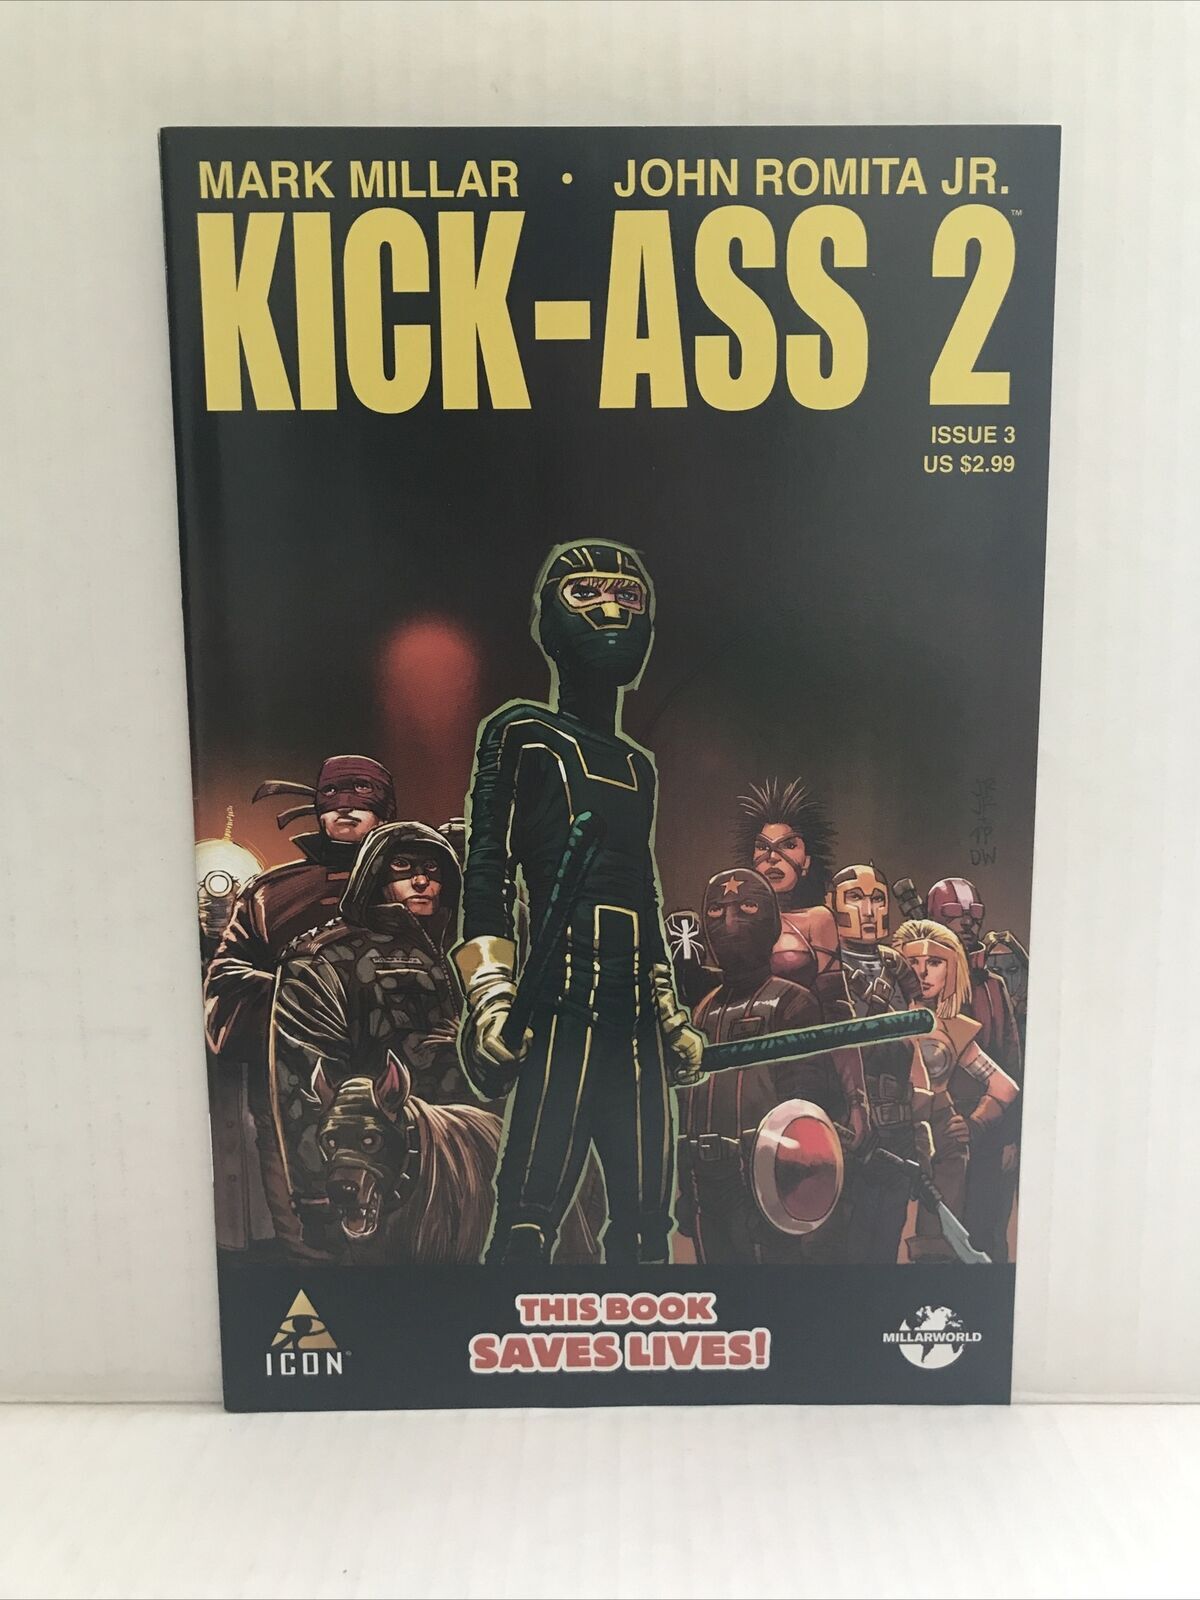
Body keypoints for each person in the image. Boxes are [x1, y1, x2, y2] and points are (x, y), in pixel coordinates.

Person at [455, 540, 704, 1266]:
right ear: (551, 619)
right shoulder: (521, 733)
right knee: (526, 1222)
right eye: (589, 592)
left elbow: (642, 889)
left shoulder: (637, 767)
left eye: (628, 596)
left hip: (636, 1017)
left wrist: (668, 1009)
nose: (611, 610)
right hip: (557, 1002)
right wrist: (491, 998)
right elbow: (487, 871)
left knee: (646, 1228)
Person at [204, 753, 396, 1254]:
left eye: (362, 795)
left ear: (385, 808)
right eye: (333, 795)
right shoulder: (270, 895)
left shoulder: (418, 883)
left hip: (395, 1071)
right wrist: (293, 995)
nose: (346, 807)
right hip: (292, 1074)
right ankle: (307, 1265)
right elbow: (227, 975)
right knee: (295, 1175)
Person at [676, 868, 862, 1264]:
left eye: (746, 907)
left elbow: (806, 1106)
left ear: (770, 923)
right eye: (716, 911)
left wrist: (790, 1180)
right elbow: (690, 1102)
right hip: (704, 1181)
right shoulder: (703, 1010)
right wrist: (686, 1186)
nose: (729, 922)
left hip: (763, 1179)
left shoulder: (791, 1002)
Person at [894, 919, 1020, 1262]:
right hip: (892, 1139)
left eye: (934, 962)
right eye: (912, 962)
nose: (922, 973)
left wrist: (975, 1123)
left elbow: (1004, 1086)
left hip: (944, 1148)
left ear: (952, 969)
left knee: (937, 1249)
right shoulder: (881, 1017)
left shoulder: (953, 1027)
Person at [828, 863, 926, 1263]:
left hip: (899, 1126)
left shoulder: (896, 966)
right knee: (849, 1241)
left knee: (888, 1235)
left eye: (877, 899)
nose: (868, 910)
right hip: (852, 1129)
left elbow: (918, 1043)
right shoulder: (826, 966)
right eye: (855, 897)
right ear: (831, 904)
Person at [925, 877, 1024, 1261]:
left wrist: (1009, 1135)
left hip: (990, 1126)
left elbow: (1010, 1062)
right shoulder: (924, 981)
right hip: (938, 1126)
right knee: (940, 1237)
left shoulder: (993, 986)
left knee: (988, 1231)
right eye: (954, 913)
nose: (967, 921)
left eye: (974, 913)